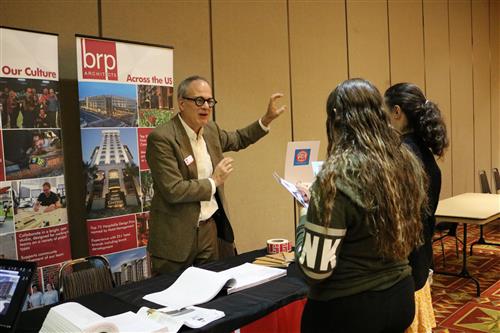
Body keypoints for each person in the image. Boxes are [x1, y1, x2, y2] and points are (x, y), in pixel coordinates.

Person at [295, 78, 428, 333]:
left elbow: (315, 268)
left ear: (335, 118)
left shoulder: (336, 176)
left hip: (348, 309)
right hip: (401, 297)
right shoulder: (406, 162)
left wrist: (305, 212)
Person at [146, 75, 285, 274]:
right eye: (199, 101)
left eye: (210, 101)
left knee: (211, 293)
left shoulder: (210, 130)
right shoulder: (162, 138)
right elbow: (173, 189)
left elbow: (237, 139)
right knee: (174, 298)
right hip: (176, 238)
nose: (206, 107)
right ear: (182, 103)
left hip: (208, 232)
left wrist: (266, 120)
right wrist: (214, 181)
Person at [385, 83, 448, 333]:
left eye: (385, 112)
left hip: (403, 266)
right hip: (421, 259)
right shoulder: (425, 152)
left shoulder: (402, 156)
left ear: (397, 112)